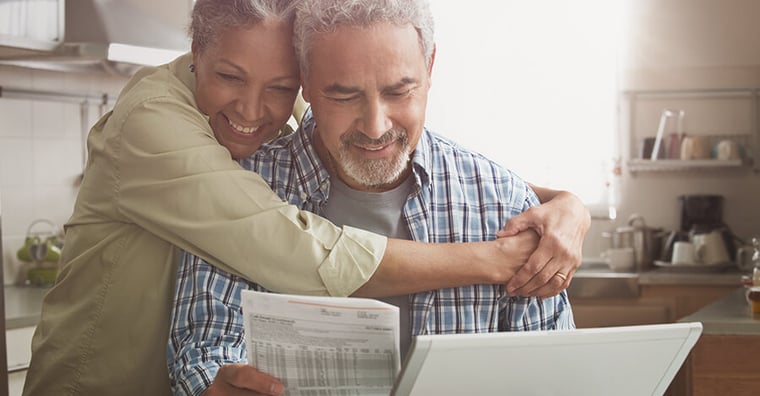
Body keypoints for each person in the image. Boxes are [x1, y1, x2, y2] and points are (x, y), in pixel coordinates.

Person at [23, 0, 589, 395]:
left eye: (277, 88)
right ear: (316, 87)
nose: (252, 111)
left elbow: (555, 369)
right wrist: (491, 260)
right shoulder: (158, 126)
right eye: (341, 95)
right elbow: (292, 258)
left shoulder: (498, 199)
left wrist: (563, 202)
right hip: (96, 382)